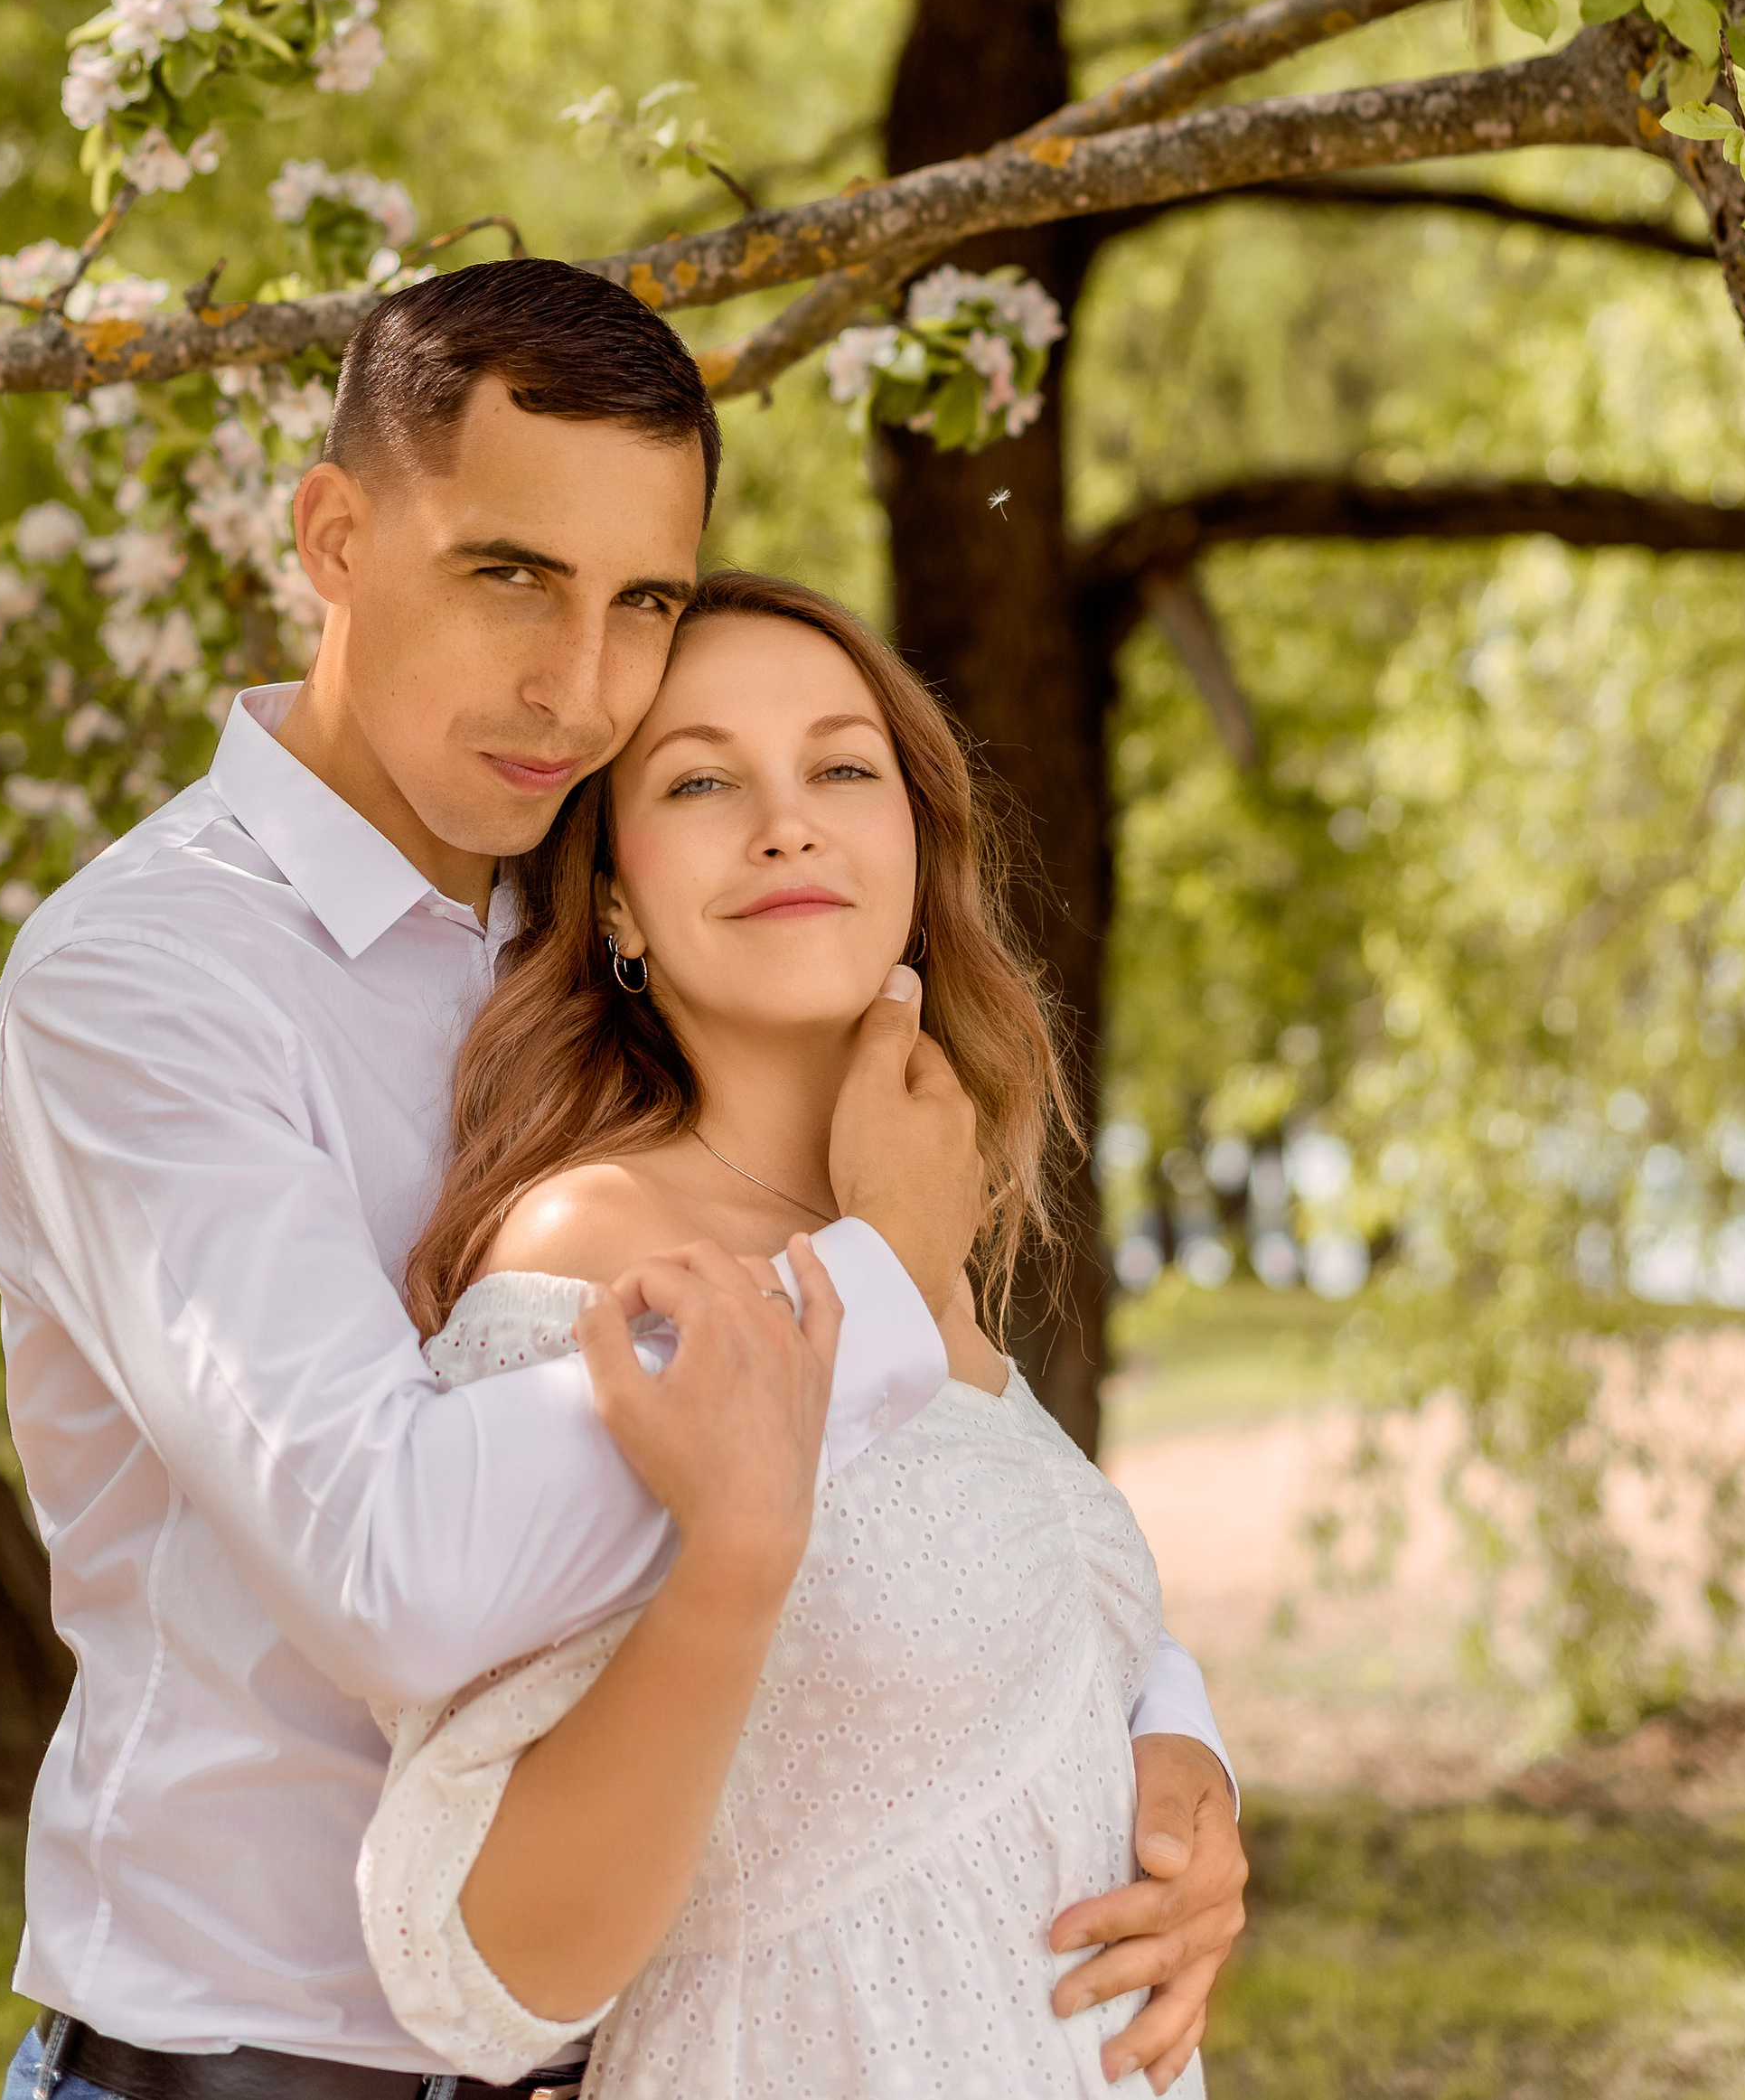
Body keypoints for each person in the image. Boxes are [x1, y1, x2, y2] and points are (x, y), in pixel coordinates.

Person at [0, 262, 1243, 2100]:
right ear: (330, 534)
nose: (576, 686)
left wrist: (1164, 1749)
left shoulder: (625, 938)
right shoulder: (147, 983)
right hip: (264, 2061)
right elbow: (389, 1569)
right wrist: (884, 1273)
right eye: (508, 577)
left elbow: (957, 1510)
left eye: (638, 599)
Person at [358, 571, 1215, 2095]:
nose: (787, 820)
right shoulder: (598, 1260)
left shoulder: (919, 1227)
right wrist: (735, 1561)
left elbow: (996, 1645)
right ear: (613, 889)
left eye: (841, 766)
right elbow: (491, 1966)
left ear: (913, 839)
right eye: (700, 780)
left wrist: (1185, 1770)